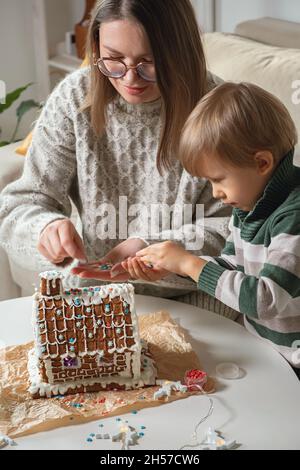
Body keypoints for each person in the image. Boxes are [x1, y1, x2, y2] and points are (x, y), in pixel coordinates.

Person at [0, 0, 234, 317]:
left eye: (148, 63)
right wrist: (45, 228)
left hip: (197, 300)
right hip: (96, 297)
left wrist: (152, 248)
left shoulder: (218, 108)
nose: (129, 78)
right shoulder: (73, 98)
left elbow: (237, 230)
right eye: (113, 60)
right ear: (96, 50)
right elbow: (18, 206)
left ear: (179, 51)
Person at [134, 82, 300, 376]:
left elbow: (264, 300)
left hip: (293, 359)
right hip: (262, 347)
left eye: (219, 179)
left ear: (262, 162)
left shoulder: (293, 218)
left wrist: (191, 263)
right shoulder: (250, 204)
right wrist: (180, 267)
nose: (215, 193)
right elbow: (232, 266)